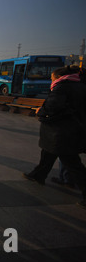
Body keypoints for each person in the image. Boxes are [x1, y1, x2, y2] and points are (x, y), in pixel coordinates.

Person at [22, 65, 86, 209]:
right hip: (72, 128)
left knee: (72, 163)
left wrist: (40, 111)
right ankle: (38, 175)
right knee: (48, 153)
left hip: (62, 131)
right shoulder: (80, 86)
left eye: (51, 78)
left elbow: (52, 106)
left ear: (57, 77)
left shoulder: (62, 87)